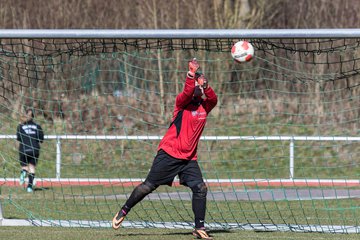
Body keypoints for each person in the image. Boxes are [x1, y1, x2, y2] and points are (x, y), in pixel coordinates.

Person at [112, 58, 218, 239]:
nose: (199, 88)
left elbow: (214, 99)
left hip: (188, 159)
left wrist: (205, 85)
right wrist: (191, 75)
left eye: (200, 86)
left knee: (200, 188)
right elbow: (185, 91)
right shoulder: (181, 104)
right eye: (197, 86)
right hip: (169, 154)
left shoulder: (204, 107)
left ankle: (199, 227)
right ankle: (124, 209)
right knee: (148, 186)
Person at [16, 108, 44, 193]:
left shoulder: (20, 126)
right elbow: (41, 139)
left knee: (24, 166)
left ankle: (23, 172)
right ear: (33, 116)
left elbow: (18, 138)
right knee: (32, 167)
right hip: (34, 149)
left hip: (24, 149)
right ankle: (29, 187)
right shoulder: (37, 126)